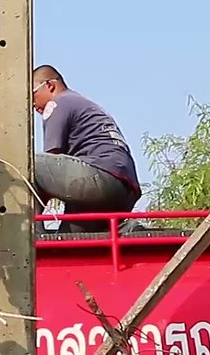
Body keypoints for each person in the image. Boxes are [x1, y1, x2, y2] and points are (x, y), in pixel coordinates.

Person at [32, 65, 141, 233]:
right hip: (124, 191)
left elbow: (52, 157)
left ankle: (30, 234)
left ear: (49, 85)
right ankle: (126, 230)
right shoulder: (82, 103)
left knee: (29, 163)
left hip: (99, 177)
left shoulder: (57, 103)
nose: (32, 104)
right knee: (69, 241)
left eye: (32, 95)